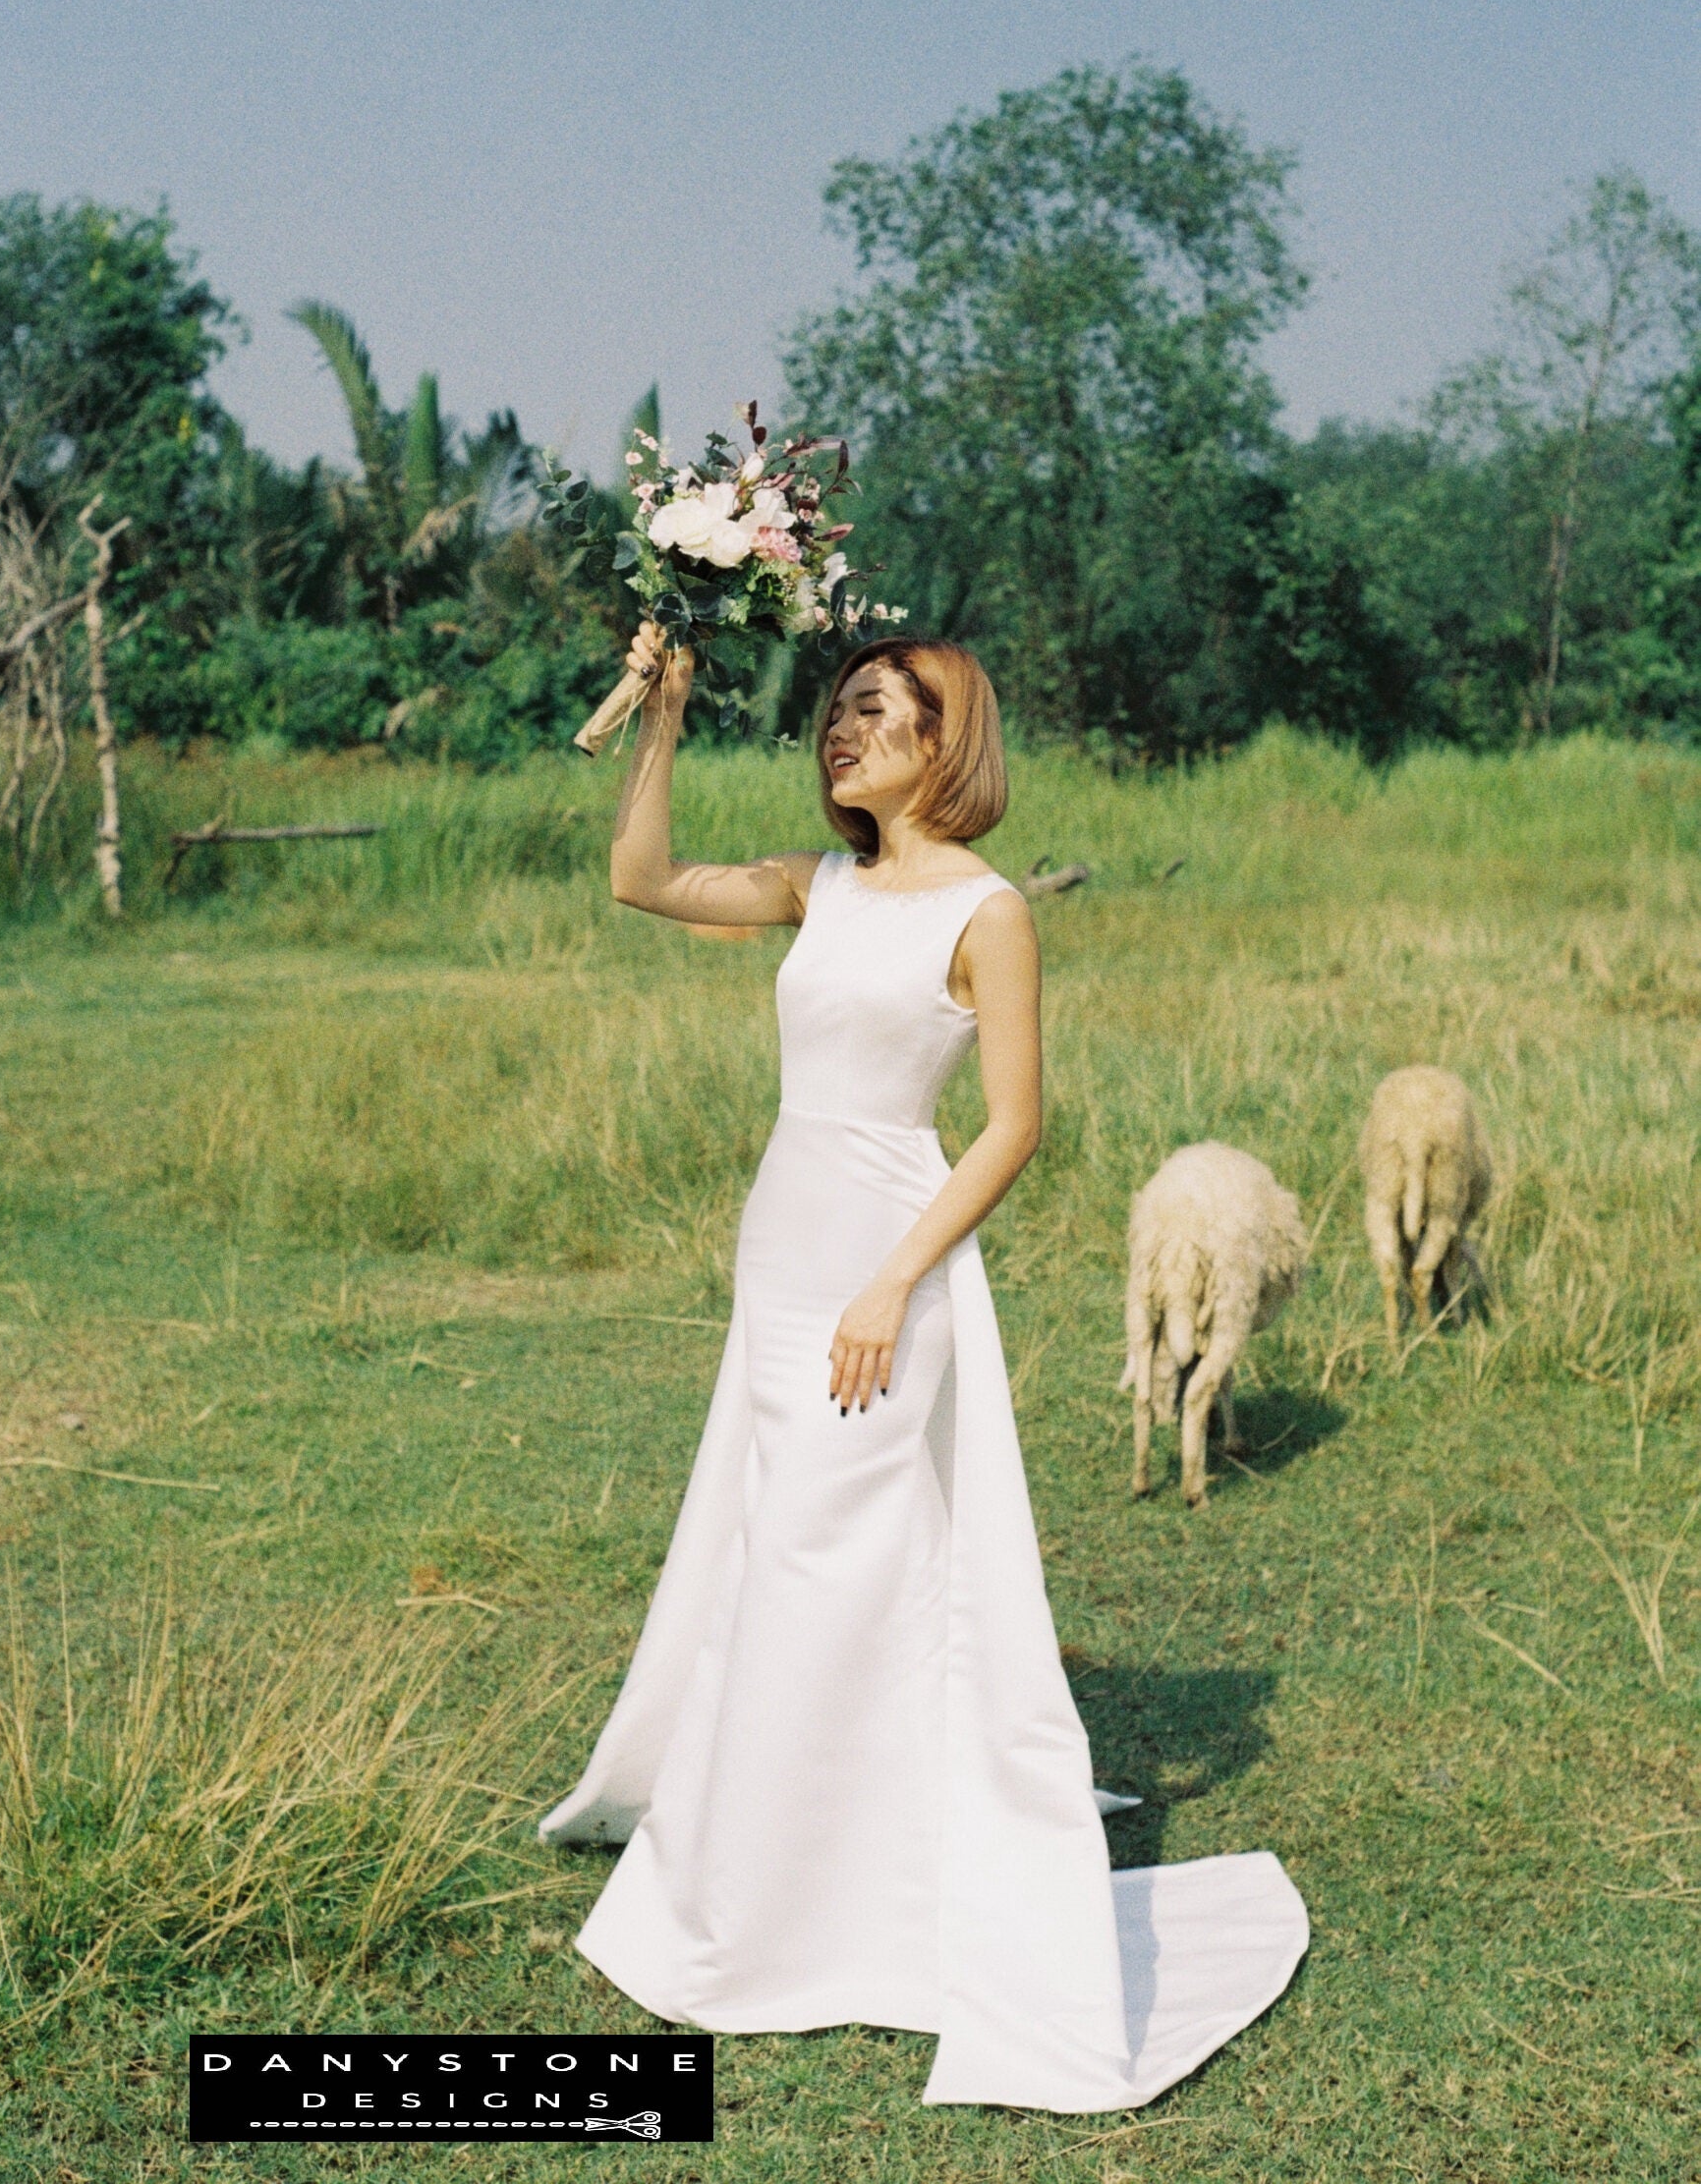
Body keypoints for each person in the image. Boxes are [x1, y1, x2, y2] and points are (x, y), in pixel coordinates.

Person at [539, 622, 1307, 2112]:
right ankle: (767, 1862)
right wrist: (666, 719)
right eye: (841, 710)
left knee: (841, 1565)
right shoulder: (812, 887)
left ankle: (833, 1892)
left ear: (949, 741)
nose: (848, 730)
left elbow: (1012, 1121)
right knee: (780, 1554)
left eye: (884, 712)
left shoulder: (990, 910)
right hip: (779, 1253)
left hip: (884, 1262)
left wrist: (893, 1279)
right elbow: (637, 879)